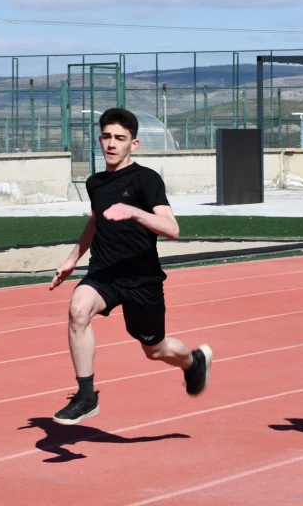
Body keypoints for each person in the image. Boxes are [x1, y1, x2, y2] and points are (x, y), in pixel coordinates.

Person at [48, 107, 212, 425]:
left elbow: (172, 228)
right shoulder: (95, 183)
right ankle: (86, 396)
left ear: (133, 144)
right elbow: (96, 222)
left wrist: (134, 211)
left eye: (120, 138)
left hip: (142, 278)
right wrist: (71, 260)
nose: (112, 144)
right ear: (100, 139)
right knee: (77, 310)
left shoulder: (145, 180)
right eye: (107, 137)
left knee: (154, 349)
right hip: (105, 271)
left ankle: (193, 362)